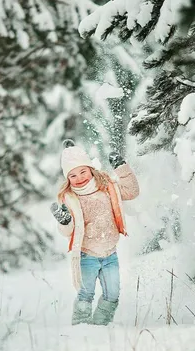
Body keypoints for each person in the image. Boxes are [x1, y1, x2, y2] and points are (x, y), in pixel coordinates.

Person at [50, 139, 139, 326]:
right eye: (72, 175)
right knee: (85, 294)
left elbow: (132, 192)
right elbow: (68, 232)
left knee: (113, 294)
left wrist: (122, 168)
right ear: (67, 179)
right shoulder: (70, 198)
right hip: (87, 255)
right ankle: (81, 328)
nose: (79, 177)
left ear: (90, 169)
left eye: (82, 171)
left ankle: (100, 327)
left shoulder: (107, 186)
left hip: (110, 254)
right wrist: (65, 221)